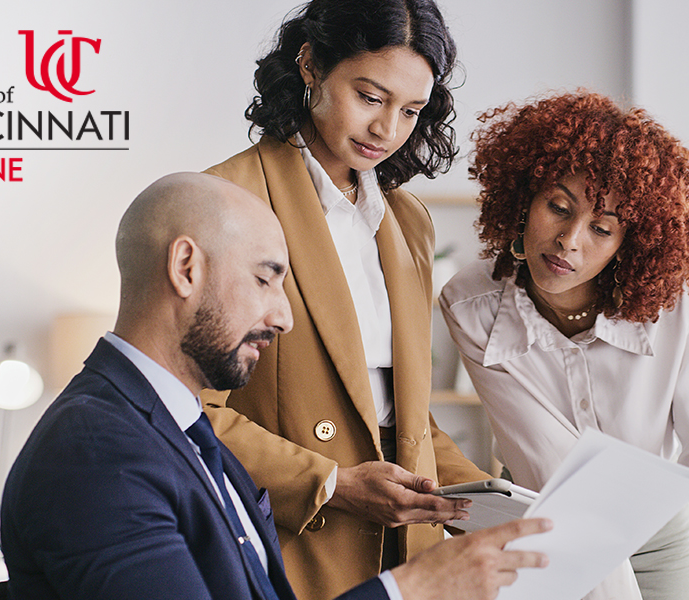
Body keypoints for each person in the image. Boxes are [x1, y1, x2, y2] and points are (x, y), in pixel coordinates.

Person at [0, 172, 550, 600]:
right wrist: (413, 588)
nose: (285, 318)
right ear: (186, 267)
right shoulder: (97, 451)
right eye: (265, 279)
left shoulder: (181, 430)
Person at [201, 2, 490, 598]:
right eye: (370, 97)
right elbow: (188, 411)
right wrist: (331, 481)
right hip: (291, 540)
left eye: (411, 110)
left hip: (405, 548)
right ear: (310, 64)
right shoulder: (226, 200)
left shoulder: (408, 221)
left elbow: (402, 418)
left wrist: (494, 501)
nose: (387, 129)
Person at [439, 92, 689, 600]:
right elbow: (549, 468)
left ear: (627, 244)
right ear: (524, 197)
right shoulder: (471, 306)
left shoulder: (674, 302)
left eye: (601, 228)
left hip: (660, 542)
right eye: (558, 207)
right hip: (546, 533)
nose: (570, 240)